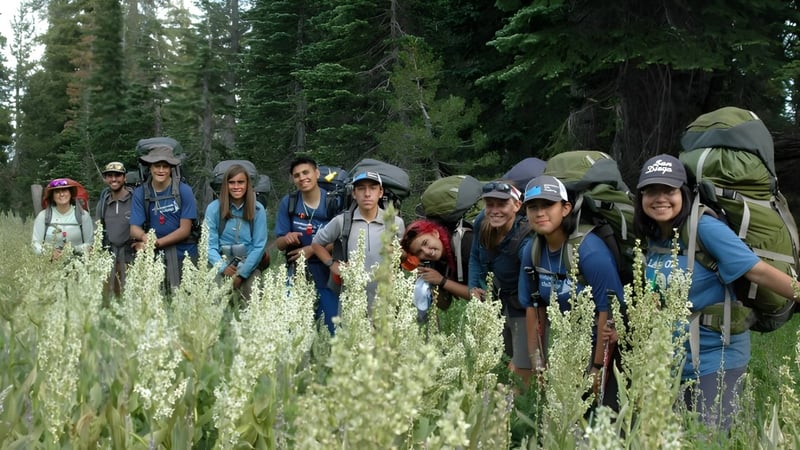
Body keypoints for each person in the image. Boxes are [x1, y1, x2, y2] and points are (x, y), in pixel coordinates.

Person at [634, 153, 799, 430]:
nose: (659, 198)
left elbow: (756, 270)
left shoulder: (705, 228)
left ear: (684, 193)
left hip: (717, 357)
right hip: (670, 361)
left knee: (709, 438)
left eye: (669, 190)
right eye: (651, 190)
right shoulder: (654, 235)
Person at [518, 175, 624, 405]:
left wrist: (596, 368)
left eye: (547, 205)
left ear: (565, 209)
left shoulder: (589, 250)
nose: (539, 213)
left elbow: (609, 310)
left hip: (603, 348)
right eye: (532, 207)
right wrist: (537, 360)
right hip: (565, 348)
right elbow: (533, 307)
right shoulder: (532, 250)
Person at [312, 171, 405, 322]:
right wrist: (332, 264)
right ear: (354, 193)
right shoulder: (342, 221)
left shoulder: (395, 223)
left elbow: (404, 254)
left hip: (385, 300)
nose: (367, 194)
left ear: (380, 192)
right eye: (361, 188)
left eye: (373, 188)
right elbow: (316, 243)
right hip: (352, 301)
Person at [467, 180, 532, 384]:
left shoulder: (526, 239)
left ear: (517, 205)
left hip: (521, 306)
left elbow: (527, 285)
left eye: (501, 204)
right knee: (497, 362)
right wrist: (473, 287)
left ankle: (520, 409)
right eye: (490, 204)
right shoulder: (481, 223)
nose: (494, 210)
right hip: (495, 303)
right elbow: (476, 257)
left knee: (522, 367)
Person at [275, 157, 339, 333]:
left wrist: (312, 249)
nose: (302, 178)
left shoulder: (333, 202)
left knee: (332, 327)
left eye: (306, 172)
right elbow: (279, 243)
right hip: (297, 271)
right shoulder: (289, 203)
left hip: (327, 271)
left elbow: (342, 240)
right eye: (297, 175)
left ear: (316, 173)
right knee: (289, 324)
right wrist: (287, 238)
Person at [130, 145, 199, 291]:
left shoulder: (184, 190)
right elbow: (134, 228)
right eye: (157, 166)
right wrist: (143, 237)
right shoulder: (140, 192)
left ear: (171, 168)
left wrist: (153, 244)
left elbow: (185, 230)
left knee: (183, 300)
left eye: (165, 166)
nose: (161, 170)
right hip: (154, 258)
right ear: (150, 167)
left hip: (184, 255)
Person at [205, 163, 268, 300]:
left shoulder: (258, 209)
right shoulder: (214, 209)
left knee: (254, 295)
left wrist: (242, 274)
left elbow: (259, 246)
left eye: (241, 182)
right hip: (221, 262)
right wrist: (223, 268)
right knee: (213, 297)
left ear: (248, 184)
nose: (236, 186)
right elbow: (209, 245)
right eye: (231, 182)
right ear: (225, 185)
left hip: (249, 264)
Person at [400, 219, 471, 311]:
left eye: (425, 242)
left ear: (435, 233)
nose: (427, 252)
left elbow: (483, 295)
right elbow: (444, 305)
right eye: (419, 252)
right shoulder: (440, 261)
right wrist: (428, 285)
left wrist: (442, 281)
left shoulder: (465, 243)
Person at [95, 162, 134, 297]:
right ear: (105, 179)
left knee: (131, 298)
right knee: (110, 300)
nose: (113, 179)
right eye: (109, 176)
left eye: (117, 175)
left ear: (124, 178)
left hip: (132, 257)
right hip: (109, 258)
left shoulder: (135, 200)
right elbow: (98, 231)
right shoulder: (103, 203)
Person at [32, 178, 94, 260]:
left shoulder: (82, 216)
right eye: (57, 192)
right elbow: (35, 244)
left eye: (65, 190)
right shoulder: (43, 216)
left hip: (78, 266)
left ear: (71, 193)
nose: (61, 194)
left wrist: (71, 250)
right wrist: (48, 253)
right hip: (50, 265)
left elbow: (90, 244)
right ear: (52, 196)